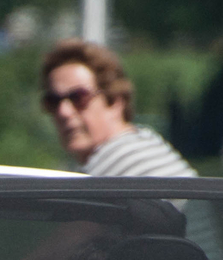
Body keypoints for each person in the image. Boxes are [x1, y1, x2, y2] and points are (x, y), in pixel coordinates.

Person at [39, 40, 196, 178]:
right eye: (53, 101)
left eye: (78, 97)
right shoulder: (145, 143)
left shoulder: (123, 161)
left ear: (114, 101)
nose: (63, 112)